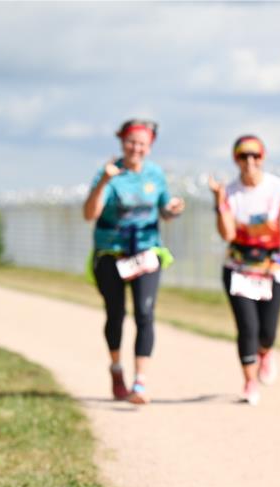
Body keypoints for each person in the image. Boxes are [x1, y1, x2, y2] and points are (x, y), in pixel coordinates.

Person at [82, 118, 185, 404]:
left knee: (145, 313)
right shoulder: (109, 173)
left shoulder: (155, 174)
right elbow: (90, 214)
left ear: (149, 147)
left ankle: (140, 382)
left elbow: (164, 210)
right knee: (115, 315)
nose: (135, 148)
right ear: (122, 142)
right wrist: (104, 180)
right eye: (131, 142)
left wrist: (173, 209)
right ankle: (116, 369)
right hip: (111, 255)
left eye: (142, 143)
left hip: (146, 254)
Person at [208, 135, 280, 406]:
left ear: (263, 157)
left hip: (271, 268)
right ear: (235, 160)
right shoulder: (229, 192)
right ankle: (249, 381)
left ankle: (266, 351)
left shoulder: (276, 188)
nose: (249, 161)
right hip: (238, 267)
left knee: (267, 331)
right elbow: (227, 232)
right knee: (247, 327)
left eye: (255, 155)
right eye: (243, 156)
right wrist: (218, 201)